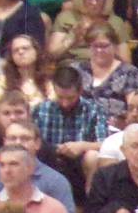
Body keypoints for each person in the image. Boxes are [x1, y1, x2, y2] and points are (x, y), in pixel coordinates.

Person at [0, 119, 77, 213]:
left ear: (37, 144)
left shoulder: (56, 182)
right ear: (4, 142)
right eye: (12, 138)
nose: (18, 143)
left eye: (25, 139)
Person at [33, 63, 108, 196]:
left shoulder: (94, 110)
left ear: (80, 91)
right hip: (49, 159)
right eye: (60, 97)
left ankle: (91, 203)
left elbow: (105, 144)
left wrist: (82, 146)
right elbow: (31, 140)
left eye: (70, 98)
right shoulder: (41, 110)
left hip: (80, 163)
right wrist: (56, 149)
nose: (65, 103)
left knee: (93, 156)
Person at [49, 0, 129, 65]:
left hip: (106, 66)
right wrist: (71, 40)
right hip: (73, 67)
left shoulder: (115, 22)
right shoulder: (65, 18)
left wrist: (107, 48)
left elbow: (126, 61)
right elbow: (52, 56)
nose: (94, 3)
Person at [75, 24, 138, 124]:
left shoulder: (129, 72)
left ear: (115, 46)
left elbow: (135, 109)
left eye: (104, 46)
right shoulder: (77, 70)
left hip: (116, 128)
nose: (99, 50)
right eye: (95, 46)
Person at [0, 32, 52, 113]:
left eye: (25, 48)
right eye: (16, 50)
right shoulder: (0, 81)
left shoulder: (48, 83)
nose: (21, 52)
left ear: (36, 51)